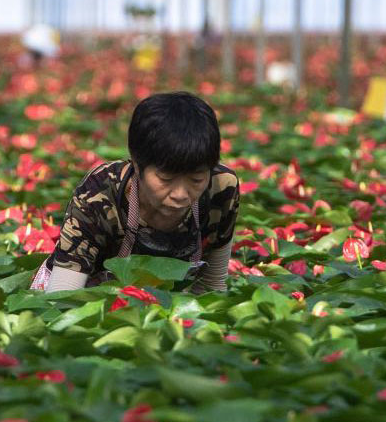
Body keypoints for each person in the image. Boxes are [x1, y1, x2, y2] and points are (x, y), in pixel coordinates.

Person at [30, 92, 239, 294]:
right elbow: (62, 297)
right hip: (88, 299)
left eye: (196, 179)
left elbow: (212, 287)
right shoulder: (99, 192)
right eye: (166, 179)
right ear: (137, 165)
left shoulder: (221, 188)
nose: (180, 194)